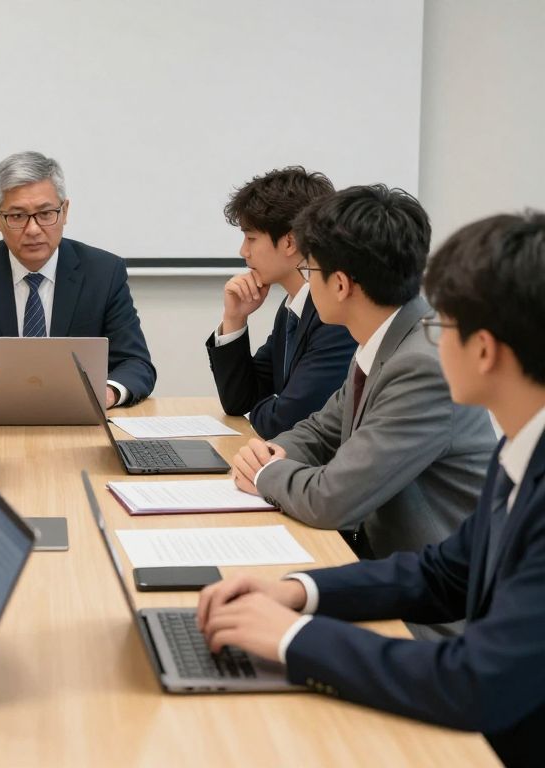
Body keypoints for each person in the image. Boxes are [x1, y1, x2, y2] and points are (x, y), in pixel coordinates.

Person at [196, 211, 545, 768]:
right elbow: (441, 573)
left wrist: (290, 639)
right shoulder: (521, 447)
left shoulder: (429, 375)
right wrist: (298, 592)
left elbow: (475, 682)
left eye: (442, 325)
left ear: (484, 349)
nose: (431, 336)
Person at [231, 185, 496, 559]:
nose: (307, 280)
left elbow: (332, 499)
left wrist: (263, 474)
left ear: (340, 285)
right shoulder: (386, 338)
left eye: (310, 270)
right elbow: (322, 430)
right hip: (383, 567)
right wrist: (275, 452)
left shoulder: (424, 365)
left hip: (431, 601)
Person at [0, 150, 156, 408]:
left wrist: (104, 395)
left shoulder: (104, 273)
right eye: (17, 216)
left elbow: (136, 363)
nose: (33, 229)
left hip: (79, 420)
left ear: (65, 211)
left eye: (46, 213)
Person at [206, 167, 356, 438]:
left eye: (251, 238)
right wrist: (234, 320)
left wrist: (274, 406)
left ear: (291, 242)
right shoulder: (292, 310)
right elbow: (239, 401)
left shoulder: (334, 317)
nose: (243, 251)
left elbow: (287, 421)